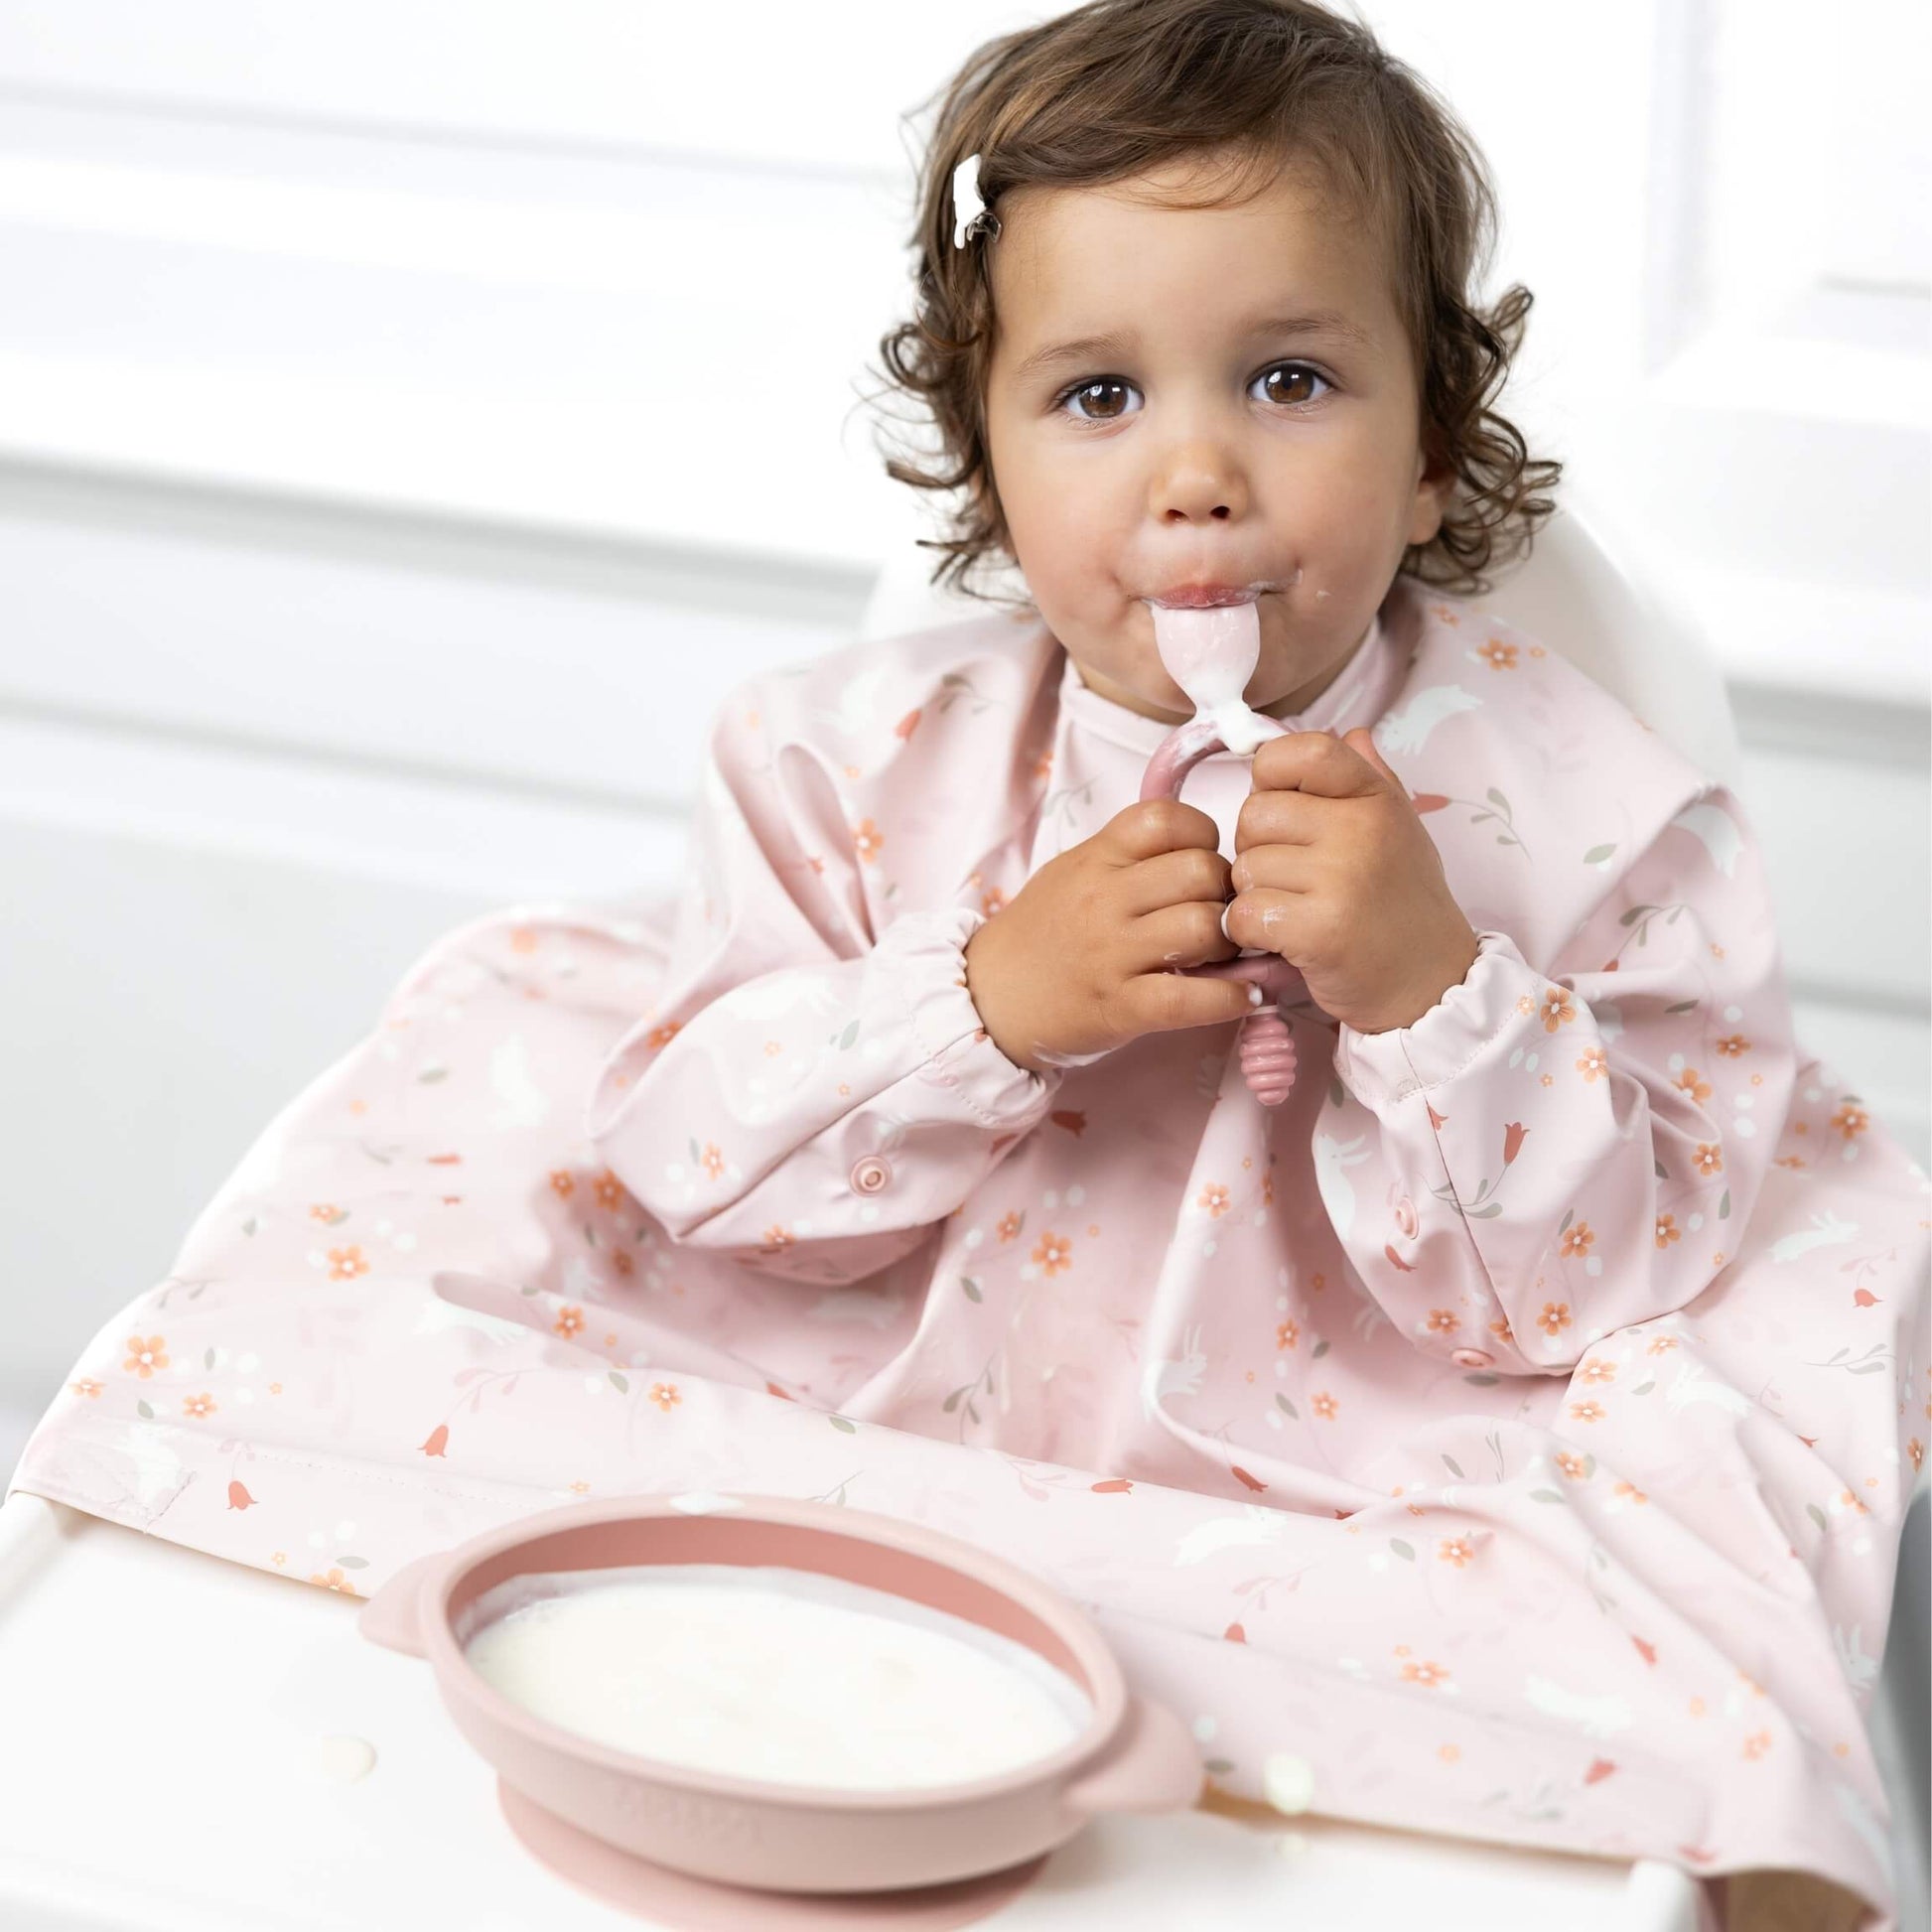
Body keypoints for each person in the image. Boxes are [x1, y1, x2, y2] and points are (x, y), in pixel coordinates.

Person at [15, 5, 1923, 1923]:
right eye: (1098, 397)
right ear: (985, 464)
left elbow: (1606, 1287)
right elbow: (707, 1178)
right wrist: (986, 1000)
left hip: (1353, 1463)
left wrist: (1431, 988)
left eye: (1284, 376)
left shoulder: (1598, 811)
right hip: (882, 1404)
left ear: (1432, 448)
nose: (1193, 474)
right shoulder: (843, 763)